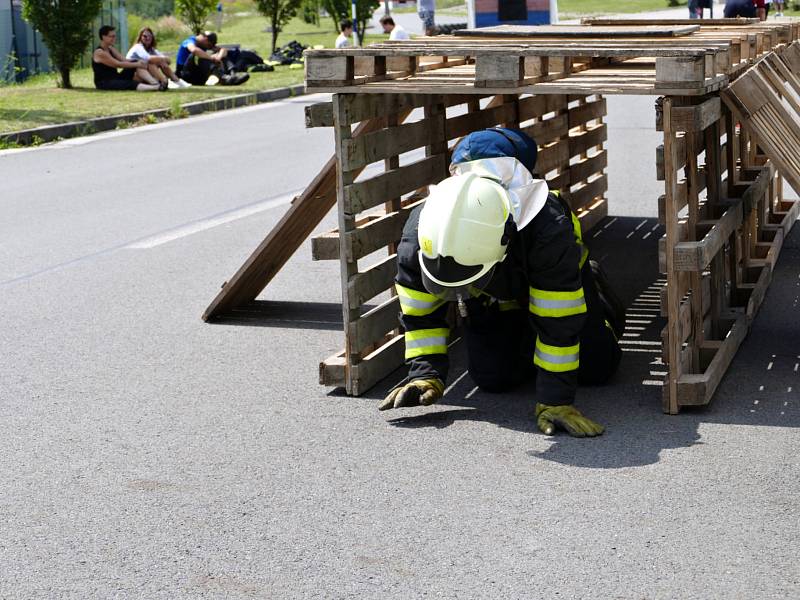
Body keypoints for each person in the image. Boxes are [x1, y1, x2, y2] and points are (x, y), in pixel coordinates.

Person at [380, 128, 625, 438]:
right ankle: (523, 340)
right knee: (493, 379)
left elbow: (558, 320)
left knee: (597, 369)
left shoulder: (548, 229)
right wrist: (425, 373)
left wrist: (554, 401)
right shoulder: (423, 231)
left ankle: (599, 299)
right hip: (494, 295)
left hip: (560, 286)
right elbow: (418, 310)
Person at [92, 25, 163, 91]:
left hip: (116, 77)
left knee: (136, 62)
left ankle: (155, 82)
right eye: (112, 36)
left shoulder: (110, 48)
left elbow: (124, 60)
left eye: (115, 36)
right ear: (104, 37)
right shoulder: (99, 52)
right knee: (130, 83)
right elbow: (118, 64)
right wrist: (137, 64)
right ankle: (156, 87)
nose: (114, 39)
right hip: (105, 82)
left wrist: (139, 61)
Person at [175, 31, 248, 86]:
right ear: (206, 39)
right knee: (200, 56)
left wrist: (218, 57)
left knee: (219, 55)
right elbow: (194, 50)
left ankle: (232, 74)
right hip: (185, 74)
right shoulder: (189, 41)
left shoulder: (204, 45)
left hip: (199, 77)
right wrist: (211, 58)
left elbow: (223, 50)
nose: (209, 47)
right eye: (209, 45)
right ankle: (223, 78)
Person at [126, 27, 190, 89]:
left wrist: (161, 60)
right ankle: (164, 82)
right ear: (140, 38)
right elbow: (149, 58)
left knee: (159, 61)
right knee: (152, 63)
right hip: (133, 75)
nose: (147, 38)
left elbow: (168, 61)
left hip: (145, 74)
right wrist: (161, 60)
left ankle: (176, 81)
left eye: (150, 36)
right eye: (145, 36)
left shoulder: (151, 49)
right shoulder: (138, 47)